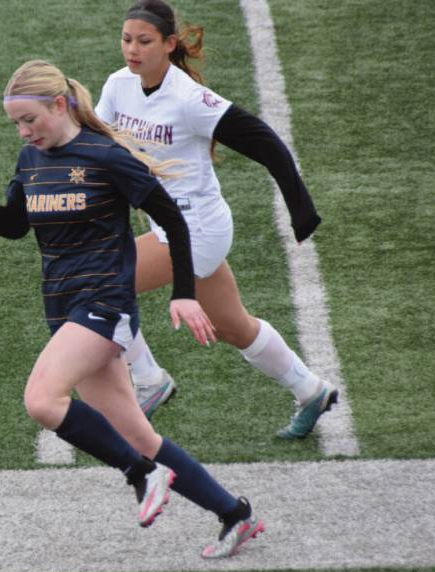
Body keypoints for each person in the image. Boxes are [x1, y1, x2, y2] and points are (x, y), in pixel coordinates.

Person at [0, 59, 263, 558]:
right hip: (64, 308)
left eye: (31, 119)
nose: (25, 131)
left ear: (60, 104)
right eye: (17, 124)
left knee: (42, 401)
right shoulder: (30, 162)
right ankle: (234, 514)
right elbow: (13, 226)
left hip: (106, 304)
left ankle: (142, 474)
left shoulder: (105, 156)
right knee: (139, 434)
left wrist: (183, 292)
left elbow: (173, 220)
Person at [95, 0, 337, 439]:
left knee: (99, 282)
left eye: (144, 41)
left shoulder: (190, 99)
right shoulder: (117, 86)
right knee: (232, 326)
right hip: (171, 226)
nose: (132, 49)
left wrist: (301, 209)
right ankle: (311, 389)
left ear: (169, 45)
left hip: (195, 230)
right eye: (127, 39)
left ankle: (149, 381)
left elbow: (265, 142)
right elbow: (97, 146)